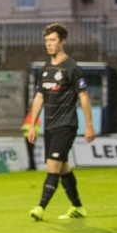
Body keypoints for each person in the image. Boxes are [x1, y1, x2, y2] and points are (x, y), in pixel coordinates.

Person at [28, 23, 95, 221]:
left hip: (66, 125)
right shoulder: (45, 69)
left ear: (63, 41)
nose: (49, 44)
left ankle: (40, 207)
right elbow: (39, 97)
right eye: (47, 41)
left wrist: (89, 126)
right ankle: (78, 207)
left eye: (53, 40)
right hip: (49, 126)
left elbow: (84, 97)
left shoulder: (72, 68)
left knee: (53, 166)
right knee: (64, 167)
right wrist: (32, 125)